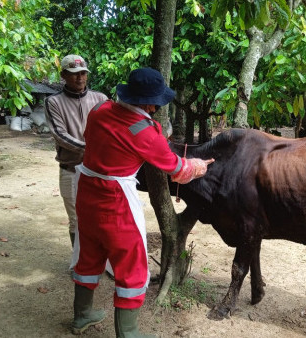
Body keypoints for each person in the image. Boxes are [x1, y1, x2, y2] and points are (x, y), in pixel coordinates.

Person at [71, 67, 214, 336]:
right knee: (132, 266)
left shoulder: (99, 110)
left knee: (89, 255)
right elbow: (178, 170)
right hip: (116, 204)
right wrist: (198, 166)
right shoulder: (146, 132)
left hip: (87, 195)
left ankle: (82, 315)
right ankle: (128, 333)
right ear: (151, 103)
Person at [44, 54, 108, 248]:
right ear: (63, 75)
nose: (79, 78)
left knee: (102, 218)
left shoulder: (101, 99)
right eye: (73, 74)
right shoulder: (53, 102)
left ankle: (103, 262)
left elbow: (112, 130)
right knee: (77, 220)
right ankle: (79, 263)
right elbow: (60, 135)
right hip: (71, 169)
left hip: (100, 171)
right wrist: (92, 149)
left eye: (83, 73)